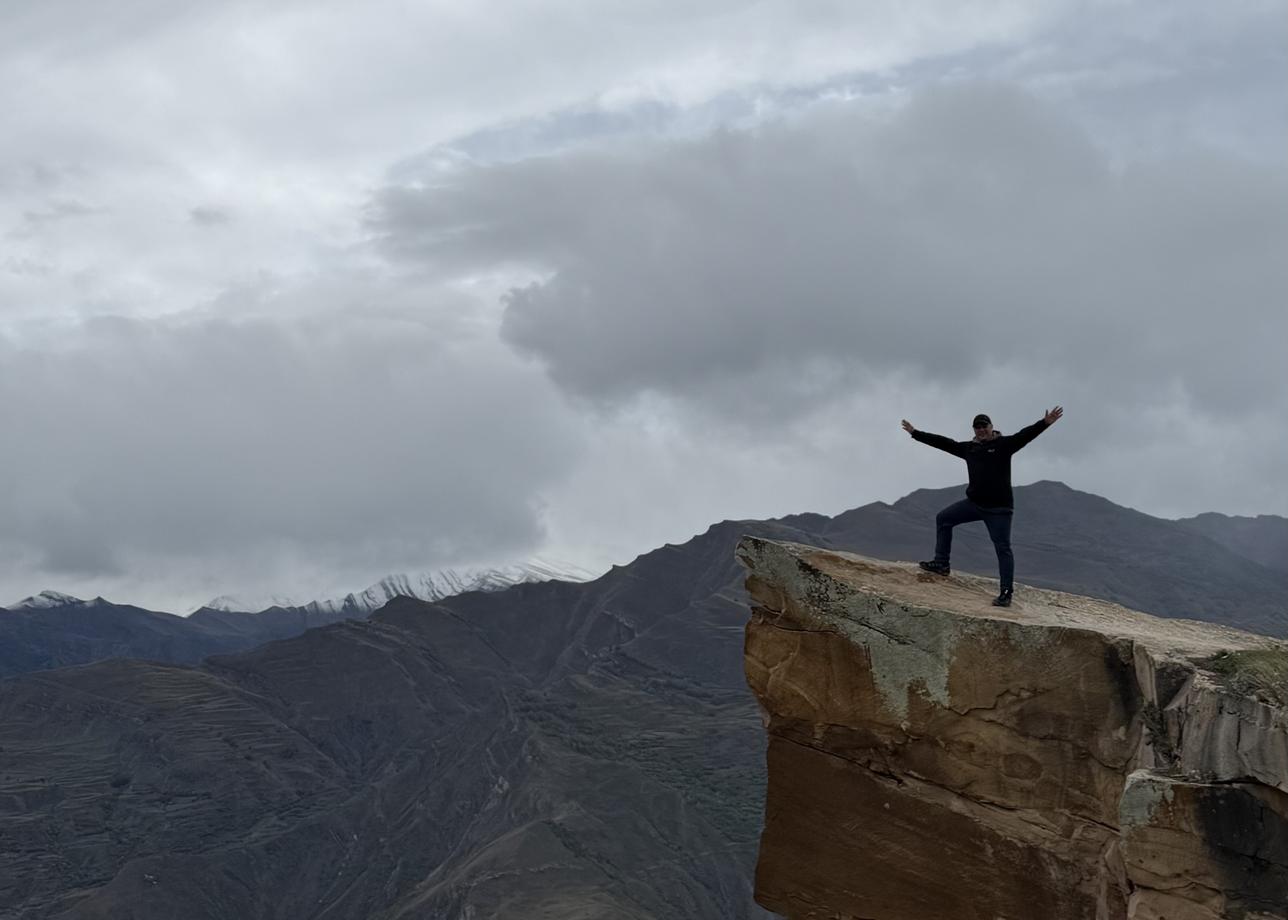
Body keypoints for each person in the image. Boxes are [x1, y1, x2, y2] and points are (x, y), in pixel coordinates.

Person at [900, 407, 1063, 607]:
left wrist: (1044, 423)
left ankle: (1006, 593)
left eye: (984, 426)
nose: (981, 430)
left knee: (1003, 548)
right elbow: (944, 443)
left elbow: (1025, 435)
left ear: (991, 427)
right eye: (977, 427)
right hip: (974, 505)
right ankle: (941, 563)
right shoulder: (969, 449)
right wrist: (915, 434)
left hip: (999, 510)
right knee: (943, 518)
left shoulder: (1004, 445)